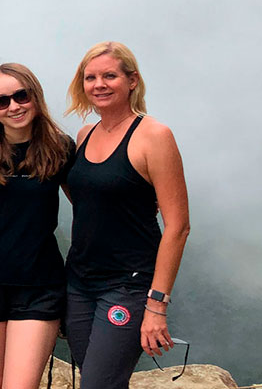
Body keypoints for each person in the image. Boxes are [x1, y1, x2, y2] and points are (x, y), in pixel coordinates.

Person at [62, 42, 189, 388]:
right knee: (96, 378)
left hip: (128, 284)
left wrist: (157, 305)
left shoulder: (154, 137)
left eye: (109, 76)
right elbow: (86, 202)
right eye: (90, 78)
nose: (98, 84)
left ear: (132, 81)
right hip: (80, 281)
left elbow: (178, 226)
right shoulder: (85, 134)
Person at [0, 63, 74, 389]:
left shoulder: (59, 148)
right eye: (1, 101)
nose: (13, 106)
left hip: (39, 286)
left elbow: (90, 201)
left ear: (35, 97)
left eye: (21, 96)